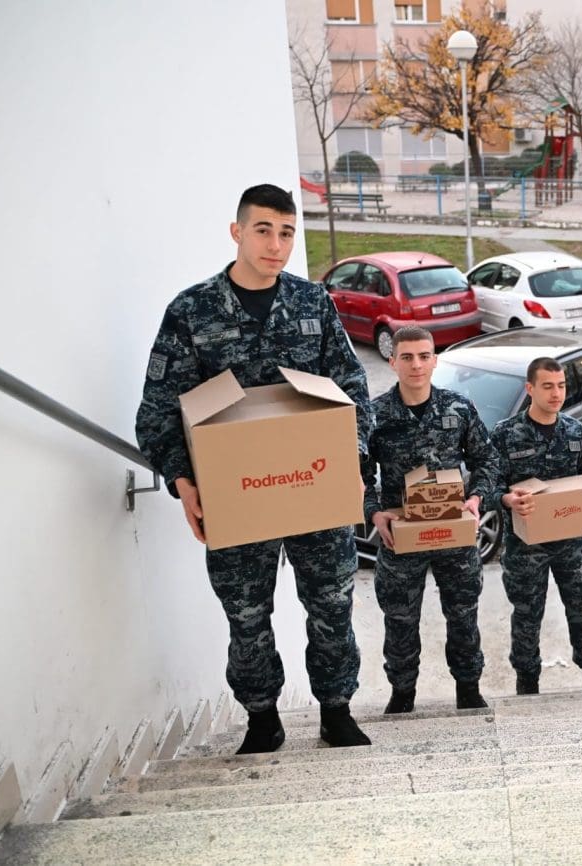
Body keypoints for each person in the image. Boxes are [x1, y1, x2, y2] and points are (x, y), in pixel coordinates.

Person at [135, 183, 372, 753]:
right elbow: (159, 409)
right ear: (237, 232)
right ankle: (262, 719)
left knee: (332, 605)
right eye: (263, 230)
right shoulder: (192, 311)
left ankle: (336, 710)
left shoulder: (313, 303)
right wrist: (184, 482)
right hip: (236, 492)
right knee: (246, 615)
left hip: (313, 483)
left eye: (287, 232)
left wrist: (354, 459)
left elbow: (353, 387)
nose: (276, 244)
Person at [363, 326, 500, 714]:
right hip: (402, 536)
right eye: (407, 357)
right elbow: (358, 472)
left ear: (434, 360)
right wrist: (373, 511)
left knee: (463, 614)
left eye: (424, 356)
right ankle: (402, 693)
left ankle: (468, 688)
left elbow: (487, 460)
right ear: (392, 362)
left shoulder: (458, 408)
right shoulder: (375, 415)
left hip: (452, 532)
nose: (416, 365)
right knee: (400, 619)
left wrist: (476, 499)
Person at [487, 357, 582, 695]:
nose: (556, 393)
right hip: (527, 545)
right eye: (547, 386)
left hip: (572, 543)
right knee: (527, 615)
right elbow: (486, 487)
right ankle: (527, 679)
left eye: (561, 386)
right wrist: (506, 500)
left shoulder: (575, 430)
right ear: (530, 389)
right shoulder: (505, 434)